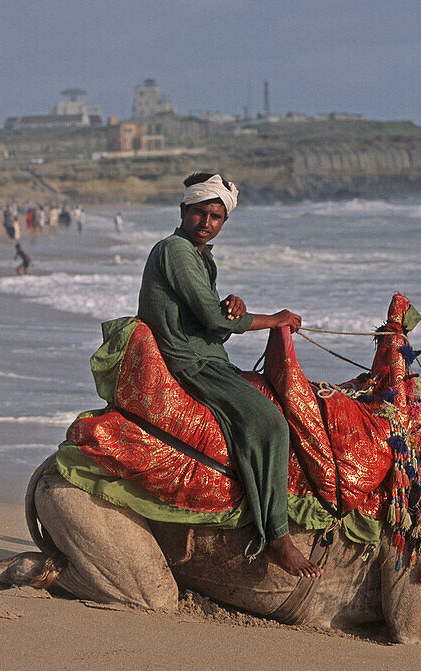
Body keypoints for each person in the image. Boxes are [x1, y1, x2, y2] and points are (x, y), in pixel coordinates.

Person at [136, 172, 321, 578]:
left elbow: (205, 311)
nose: (207, 222)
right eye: (200, 212)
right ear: (184, 211)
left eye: (216, 216)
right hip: (191, 363)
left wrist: (229, 303)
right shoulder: (176, 251)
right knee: (270, 423)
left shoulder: (201, 257)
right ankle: (276, 537)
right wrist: (274, 319)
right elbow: (208, 319)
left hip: (205, 354)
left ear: (223, 221)